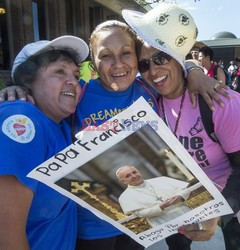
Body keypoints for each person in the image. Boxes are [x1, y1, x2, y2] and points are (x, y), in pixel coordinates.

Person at [0, 20, 230, 250]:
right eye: (106, 56)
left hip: (140, 225)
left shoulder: (149, 89)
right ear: (94, 62)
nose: (117, 64)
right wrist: (17, 90)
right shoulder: (79, 94)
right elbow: (45, 96)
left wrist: (194, 71)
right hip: (91, 228)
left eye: (126, 53)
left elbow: (175, 70)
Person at [122, 2, 240, 249]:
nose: (153, 70)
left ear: (177, 56)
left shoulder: (220, 102)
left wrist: (218, 210)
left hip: (228, 201)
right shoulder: (148, 100)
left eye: (160, 57)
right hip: (179, 200)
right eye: (144, 64)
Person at [0, 35, 89, 249]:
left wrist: (187, 68)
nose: (72, 81)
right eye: (59, 71)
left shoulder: (58, 122)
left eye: (76, 75)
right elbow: (6, 232)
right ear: (27, 80)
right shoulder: (22, 117)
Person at [116, 166, 193, 227]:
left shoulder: (161, 179)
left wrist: (180, 196)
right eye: (128, 176)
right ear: (123, 181)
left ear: (139, 172)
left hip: (186, 213)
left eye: (134, 172)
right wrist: (160, 207)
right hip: (163, 223)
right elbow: (139, 214)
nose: (134, 176)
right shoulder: (125, 197)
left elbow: (184, 189)